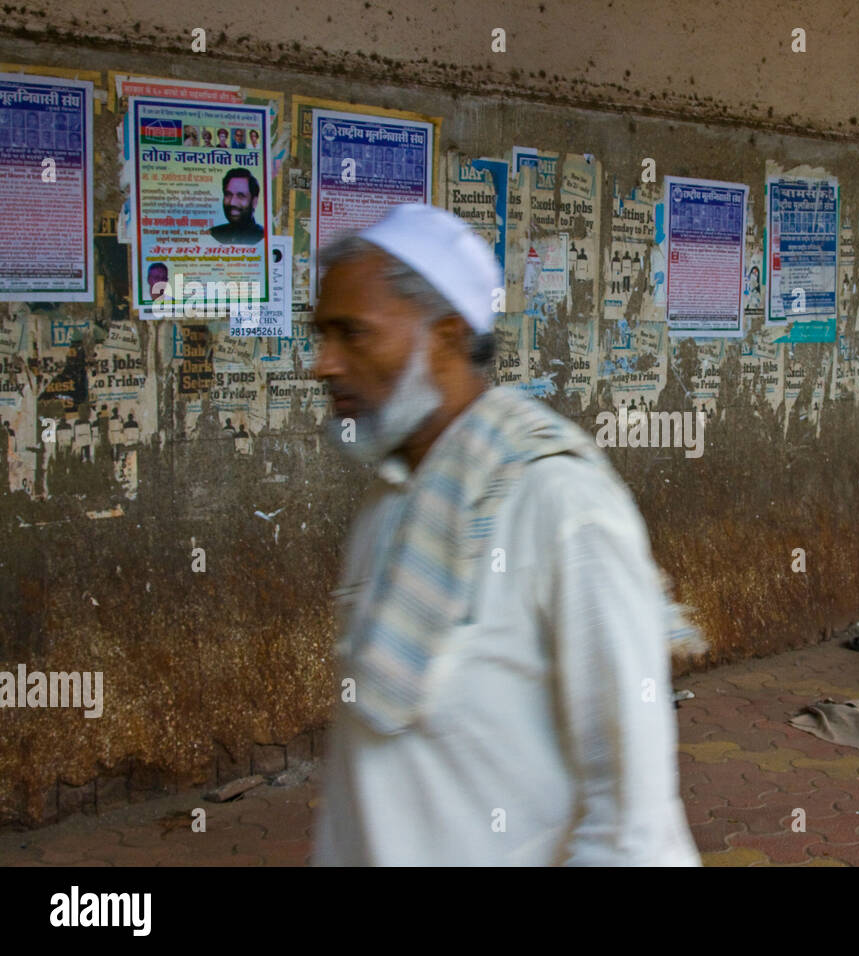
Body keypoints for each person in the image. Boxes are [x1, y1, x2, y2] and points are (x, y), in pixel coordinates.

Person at [309, 203, 699, 866]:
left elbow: (633, 816)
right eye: (320, 335)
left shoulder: (559, 501)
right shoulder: (394, 492)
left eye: (353, 334)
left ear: (447, 334)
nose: (323, 364)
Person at [208, 169, 264, 245]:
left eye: (241, 196)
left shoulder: (263, 237)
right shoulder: (213, 235)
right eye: (228, 194)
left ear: (254, 202)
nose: (232, 202)